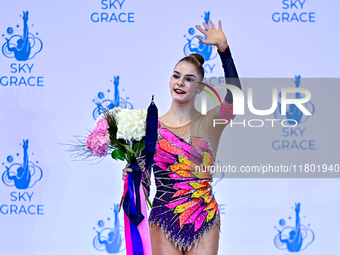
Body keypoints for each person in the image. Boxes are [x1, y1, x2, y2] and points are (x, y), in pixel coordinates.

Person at [122, 19, 241, 255]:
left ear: (200, 88)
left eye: (189, 79)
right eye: (176, 76)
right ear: (169, 81)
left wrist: (224, 51)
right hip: (164, 217)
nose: (180, 83)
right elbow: (144, 180)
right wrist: (132, 177)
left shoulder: (210, 123)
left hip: (203, 215)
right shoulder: (150, 126)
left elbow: (235, 100)